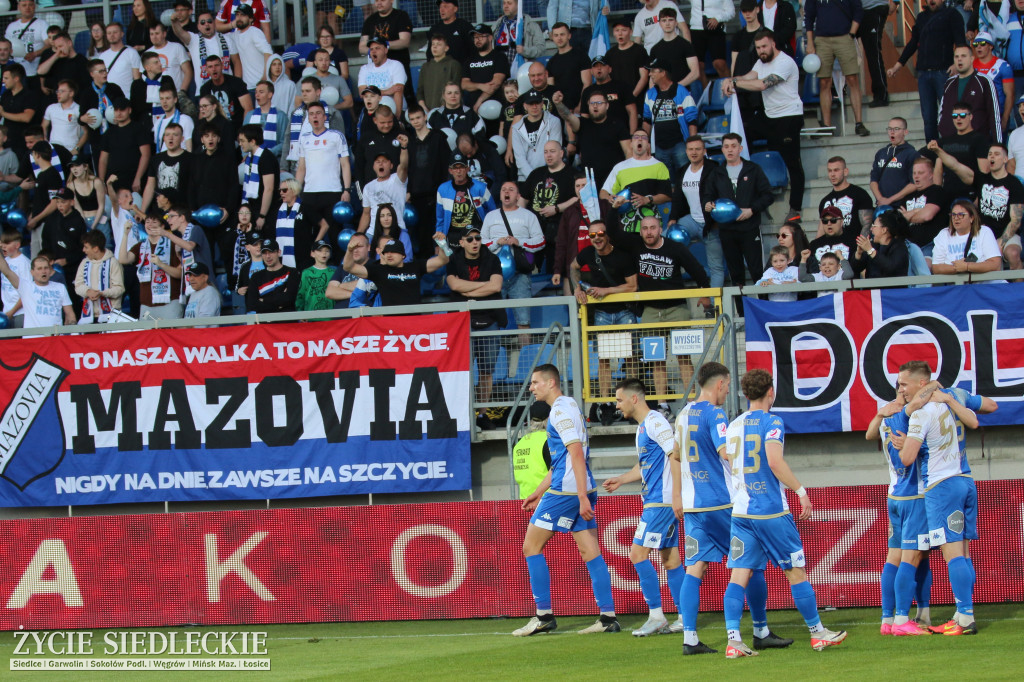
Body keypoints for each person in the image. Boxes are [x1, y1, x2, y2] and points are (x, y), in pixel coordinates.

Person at [722, 369, 848, 657]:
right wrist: (801, 492)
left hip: (741, 512)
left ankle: (733, 641)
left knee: (738, 575)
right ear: (771, 392)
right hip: (769, 510)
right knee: (795, 571)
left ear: (745, 394)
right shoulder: (772, 421)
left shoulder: (734, 425)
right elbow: (775, 462)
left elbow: (729, 459)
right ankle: (817, 634)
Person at [672, 362, 792, 653]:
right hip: (722, 501)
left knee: (694, 568)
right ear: (720, 384)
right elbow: (727, 453)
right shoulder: (716, 414)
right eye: (726, 386)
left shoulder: (683, 414)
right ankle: (760, 630)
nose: (727, 391)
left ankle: (690, 639)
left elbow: (675, 455)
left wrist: (677, 495)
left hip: (692, 506)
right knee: (750, 563)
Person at [513, 363, 620, 636]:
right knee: (590, 551)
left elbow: (574, 453)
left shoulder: (558, 412)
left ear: (551, 383)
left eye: (535, 382)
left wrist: (581, 497)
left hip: (568, 491)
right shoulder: (570, 405)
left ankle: (543, 616)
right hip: (581, 486)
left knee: (530, 547)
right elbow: (564, 458)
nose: (531, 388)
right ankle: (608, 618)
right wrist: (538, 491)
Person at [897, 361, 988, 636]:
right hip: (964, 479)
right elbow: (976, 419)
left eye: (904, 384)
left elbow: (907, 458)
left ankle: (965, 618)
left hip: (941, 487)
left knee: (952, 555)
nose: (901, 390)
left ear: (921, 384)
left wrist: (903, 446)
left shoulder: (921, 414)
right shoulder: (953, 399)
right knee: (964, 553)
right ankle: (962, 612)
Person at [601, 378, 682, 636]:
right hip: (660, 500)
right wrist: (622, 479)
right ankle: (684, 616)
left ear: (634, 398)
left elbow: (675, 454)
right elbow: (646, 465)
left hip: (661, 501)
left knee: (637, 554)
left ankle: (656, 616)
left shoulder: (656, 421)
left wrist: (677, 494)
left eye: (619, 399)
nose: (617, 406)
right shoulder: (642, 429)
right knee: (670, 559)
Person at [723, 28, 805, 223]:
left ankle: (795, 208)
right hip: (769, 116)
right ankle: (743, 187)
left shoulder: (785, 62)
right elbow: (751, 76)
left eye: (764, 46)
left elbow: (762, 85)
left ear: (773, 44)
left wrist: (735, 84)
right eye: (758, 47)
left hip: (789, 117)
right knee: (742, 135)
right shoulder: (761, 61)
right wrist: (731, 79)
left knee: (793, 162)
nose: (761, 51)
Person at [634, 213, 710, 414]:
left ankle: (691, 402)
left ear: (660, 230)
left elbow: (698, 271)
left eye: (652, 228)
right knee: (656, 359)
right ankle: (662, 405)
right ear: (640, 232)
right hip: (651, 311)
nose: (649, 232)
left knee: (683, 358)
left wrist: (705, 294)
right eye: (645, 229)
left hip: (677, 310)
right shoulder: (636, 248)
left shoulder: (675, 248)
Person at [569, 219, 637, 423]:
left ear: (607, 235)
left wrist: (606, 291)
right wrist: (577, 287)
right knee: (604, 360)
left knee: (631, 358)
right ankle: (607, 402)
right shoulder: (587, 254)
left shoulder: (622, 256)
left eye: (600, 233)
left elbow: (632, 286)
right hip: (602, 313)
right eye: (592, 235)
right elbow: (573, 267)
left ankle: (632, 402)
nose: (596, 238)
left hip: (624, 312)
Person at [928, 139, 1024, 270]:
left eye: (996, 154)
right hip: (981, 234)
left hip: (1006, 234)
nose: (992, 156)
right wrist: (938, 151)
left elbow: (1015, 221)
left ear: (1005, 159)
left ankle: (1017, 290)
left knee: (1012, 254)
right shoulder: (981, 179)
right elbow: (955, 166)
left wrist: (1001, 242)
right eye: (990, 154)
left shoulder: (1014, 184)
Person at [446, 225, 506, 414]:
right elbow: (454, 285)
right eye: (470, 239)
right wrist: (483, 286)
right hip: (461, 322)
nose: (474, 242)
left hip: (489, 320)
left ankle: (482, 413)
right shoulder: (454, 260)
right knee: (463, 371)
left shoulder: (492, 259)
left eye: (478, 238)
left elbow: (496, 287)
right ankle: (464, 414)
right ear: (462, 242)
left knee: (486, 371)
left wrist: (468, 292)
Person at [887, 0, 965, 142]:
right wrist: (897, 66)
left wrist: (956, 63)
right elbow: (912, 43)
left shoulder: (952, 14)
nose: (931, 1)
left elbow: (960, 42)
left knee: (948, 114)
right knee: (928, 118)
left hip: (943, 72)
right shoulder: (922, 17)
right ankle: (932, 151)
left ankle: (952, 148)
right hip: (923, 74)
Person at [703, 133, 774, 285]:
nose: (730, 150)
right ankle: (742, 309)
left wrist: (752, 210)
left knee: (757, 272)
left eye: (734, 146)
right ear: (722, 149)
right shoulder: (716, 173)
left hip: (750, 228)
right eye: (726, 146)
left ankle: (761, 307)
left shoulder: (753, 169)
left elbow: (768, 195)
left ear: (740, 148)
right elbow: (707, 195)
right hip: (727, 230)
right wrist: (708, 204)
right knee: (736, 275)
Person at [482, 181, 545, 335]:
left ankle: (526, 356)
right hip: (495, 275)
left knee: (524, 321)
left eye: (511, 189)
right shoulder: (491, 216)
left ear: (518, 196)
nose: (506, 192)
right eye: (503, 189)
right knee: (492, 321)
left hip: (520, 274)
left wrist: (520, 242)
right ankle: (494, 358)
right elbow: (481, 242)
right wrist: (497, 242)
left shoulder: (528, 215)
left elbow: (541, 241)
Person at [804, 0, 870, 137]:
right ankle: (826, 126)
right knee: (824, 82)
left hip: (844, 37)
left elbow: (858, 10)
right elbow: (809, 15)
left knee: (852, 79)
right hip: (822, 39)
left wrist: (851, 33)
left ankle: (859, 123)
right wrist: (810, 42)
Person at [667, 136, 724, 288]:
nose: (694, 152)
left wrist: (717, 219)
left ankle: (714, 306)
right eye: (691, 149)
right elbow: (677, 197)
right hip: (692, 220)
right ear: (686, 151)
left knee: (716, 267)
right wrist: (673, 218)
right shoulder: (683, 171)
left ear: (704, 151)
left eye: (698, 149)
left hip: (711, 223)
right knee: (666, 240)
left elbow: (722, 193)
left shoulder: (714, 168)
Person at [294, 102, 351, 247]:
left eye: (318, 113)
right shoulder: (304, 138)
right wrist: (295, 191)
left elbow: (345, 164)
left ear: (324, 116)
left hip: (332, 192)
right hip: (309, 193)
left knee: (334, 233)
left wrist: (346, 189)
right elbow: (301, 167)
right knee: (308, 233)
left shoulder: (336, 136)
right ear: (308, 118)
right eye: (311, 114)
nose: (315, 116)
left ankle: (339, 267)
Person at [342, 230, 449, 306]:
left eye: (393, 252)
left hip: (414, 324)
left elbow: (442, 260)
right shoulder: (378, 270)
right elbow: (348, 267)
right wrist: (349, 251)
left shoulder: (415, 266)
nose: (389, 255)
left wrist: (442, 244)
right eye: (386, 252)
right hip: (390, 326)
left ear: (403, 255)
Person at [599, 129, 671, 234]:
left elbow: (667, 195)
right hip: (628, 223)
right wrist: (609, 198)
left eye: (644, 137)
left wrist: (647, 199)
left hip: (652, 224)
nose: (640, 139)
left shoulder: (659, 166)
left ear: (648, 145)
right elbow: (603, 193)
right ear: (631, 144)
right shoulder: (619, 167)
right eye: (636, 137)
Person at [555, 89, 630, 190]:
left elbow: (628, 152)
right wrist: (558, 104)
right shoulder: (582, 124)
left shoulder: (617, 124)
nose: (595, 106)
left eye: (599, 103)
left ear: (607, 105)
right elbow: (567, 116)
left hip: (613, 179)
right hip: (589, 181)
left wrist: (627, 178)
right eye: (592, 103)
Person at [521, 140, 576, 272]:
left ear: (561, 153)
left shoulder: (571, 174)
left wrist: (557, 208)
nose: (548, 155)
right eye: (545, 152)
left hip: (559, 227)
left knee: (557, 268)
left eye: (552, 151)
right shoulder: (536, 173)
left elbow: (579, 197)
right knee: (532, 268)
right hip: (535, 228)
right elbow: (523, 199)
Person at [119, 210, 183, 319]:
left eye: (154, 222)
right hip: (146, 304)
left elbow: (180, 273)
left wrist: (161, 264)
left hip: (170, 302)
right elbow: (122, 259)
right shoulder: (140, 246)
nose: (149, 225)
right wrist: (125, 234)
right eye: (147, 222)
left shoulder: (173, 244)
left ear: (162, 226)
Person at [642, 58, 698, 179]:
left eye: (653, 71)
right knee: (665, 182)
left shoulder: (682, 91)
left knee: (685, 178)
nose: (650, 74)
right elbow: (646, 121)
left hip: (680, 145)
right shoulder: (650, 94)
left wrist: (693, 144)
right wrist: (645, 143)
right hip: (659, 147)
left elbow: (692, 120)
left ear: (663, 72)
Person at [938, 45, 1002, 142]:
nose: (959, 59)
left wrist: (998, 144)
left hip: (976, 142)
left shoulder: (984, 81)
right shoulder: (949, 83)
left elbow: (994, 115)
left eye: (963, 56)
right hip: (950, 142)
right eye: (956, 57)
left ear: (972, 59)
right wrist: (944, 131)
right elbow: (942, 112)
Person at [436, 151, 496, 250]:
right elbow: (440, 219)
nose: (458, 171)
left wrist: (491, 236)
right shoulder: (442, 189)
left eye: (461, 167)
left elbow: (493, 212)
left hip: (475, 236)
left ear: (467, 169)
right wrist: (439, 243)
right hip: (453, 237)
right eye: (455, 168)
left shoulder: (480, 187)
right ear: (450, 170)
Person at [172, 9, 240, 91]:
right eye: (203, 22)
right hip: (204, 90)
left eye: (209, 21)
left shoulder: (227, 39)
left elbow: (236, 62)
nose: (206, 24)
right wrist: (174, 22)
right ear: (198, 26)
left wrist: (237, 84)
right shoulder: (194, 39)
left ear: (214, 23)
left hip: (227, 88)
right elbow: (180, 33)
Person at [0, 253, 75, 328]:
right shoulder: (25, 286)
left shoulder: (60, 287)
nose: (43, 271)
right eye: (39, 268)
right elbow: (7, 272)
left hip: (55, 337)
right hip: (33, 338)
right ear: (32, 272)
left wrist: (72, 332)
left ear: (50, 270)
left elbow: (70, 314)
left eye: (46, 268)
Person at [360, 0, 413, 104]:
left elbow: (405, 41)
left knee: (404, 99)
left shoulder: (401, 16)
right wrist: (377, 50)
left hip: (398, 67)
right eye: (376, 0)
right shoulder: (370, 20)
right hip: (376, 71)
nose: (379, 3)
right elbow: (361, 47)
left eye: (382, 0)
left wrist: (384, 46)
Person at [930, 199, 1004, 274]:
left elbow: (995, 264)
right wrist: (958, 268)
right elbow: (936, 268)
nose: (956, 218)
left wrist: (967, 266)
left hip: (984, 283)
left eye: (961, 215)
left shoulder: (984, 232)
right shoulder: (944, 234)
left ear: (972, 218)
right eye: (953, 215)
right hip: (957, 284)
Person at [818, 156, 875, 252]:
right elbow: (821, 229)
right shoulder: (825, 201)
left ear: (845, 171)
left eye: (836, 170)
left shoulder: (859, 194)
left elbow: (867, 225)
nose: (832, 174)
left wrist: (859, 250)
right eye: (830, 171)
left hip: (853, 249)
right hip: (831, 251)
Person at [898, 156, 948, 258]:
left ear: (931, 175)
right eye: (914, 173)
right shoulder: (908, 197)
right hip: (907, 246)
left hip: (930, 246)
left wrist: (907, 216)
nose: (916, 176)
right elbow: (898, 221)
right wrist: (916, 211)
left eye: (921, 173)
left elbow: (927, 216)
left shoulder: (937, 191)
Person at [359, 136, 409, 238]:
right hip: (373, 232)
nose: (381, 163)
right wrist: (358, 234)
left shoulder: (397, 179)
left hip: (396, 230)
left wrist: (404, 147)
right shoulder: (368, 187)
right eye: (378, 162)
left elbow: (403, 165)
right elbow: (366, 214)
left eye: (385, 161)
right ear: (373, 167)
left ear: (391, 165)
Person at [511, 90, 562, 181]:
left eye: (537, 103)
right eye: (531, 104)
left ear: (542, 103)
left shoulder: (554, 121)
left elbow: (555, 151)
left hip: (550, 176)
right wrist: (534, 178)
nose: (534, 106)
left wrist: (544, 177)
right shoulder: (516, 128)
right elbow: (520, 158)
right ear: (525, 106)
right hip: (525, 178)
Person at [239, 124, 280, 233]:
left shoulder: (266, 158)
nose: (240, 144)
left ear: (252, 141)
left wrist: (262, 216)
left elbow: (269, 189)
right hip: (253, 209)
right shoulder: (250, 157)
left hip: (266, 213)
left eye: (242, 141)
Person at [581, 55, 638, 133]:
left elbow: (632, 112)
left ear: (610, 69)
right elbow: (584, 118)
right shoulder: (587, 91)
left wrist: (632, 135)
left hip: (620, 136)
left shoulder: (622, 87)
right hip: (597, 136)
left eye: (602, 65)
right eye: (595, 66)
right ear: (591, 71)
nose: (599, 68)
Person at [142, 121, 191, 211]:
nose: (170, 138)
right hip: (159, 212)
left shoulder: (191, 159)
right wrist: (143, 210)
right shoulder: (156, 159)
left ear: (182, 138)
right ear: (164, 138)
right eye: (167, 135)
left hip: (181, 211)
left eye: (175, 135)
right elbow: (150, 186)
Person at [972, 31, 1015, 133]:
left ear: (991, 46)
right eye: (975, 44)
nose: (978, 47)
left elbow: (1010, 94)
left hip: (997, 115)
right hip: (976, 116)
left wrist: (1005, 119)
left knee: (998, 148)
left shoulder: (1003, 66)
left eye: (982, 44)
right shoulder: (970, 65)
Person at [870, 119, 918, 208]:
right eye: (890, 129)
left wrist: (890, 200)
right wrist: (880, 199)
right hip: (882, 205)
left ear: (905, 132)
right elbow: (873, 180)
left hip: (902, 206)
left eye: (896, 129)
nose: (892, 132)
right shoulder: (881, 153)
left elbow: (914, 183)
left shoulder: (911, 153)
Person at [462, 24, 509, 113]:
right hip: (475, 110)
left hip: (496, 108)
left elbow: (496, 83)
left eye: (481, 36)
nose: (477, 40)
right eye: (475, 37)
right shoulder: (469, 60)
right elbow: (464, 84)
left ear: (490, 37)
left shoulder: (499, 57)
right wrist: (481, 86)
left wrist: (480, 101)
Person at [200, 53, 252, 132]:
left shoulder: (236, 83)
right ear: (206, 70)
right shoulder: (205, 88)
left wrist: (243, 132)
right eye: (210, 67)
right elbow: (203, 113)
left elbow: (248, 108)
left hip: (236, 128)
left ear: (222, 66)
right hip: (215, 131)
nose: (214, 69)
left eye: (216, 65)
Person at [851, 208, 910, 278]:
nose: (871, 229)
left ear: (884, 230)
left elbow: (890, 267)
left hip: (892, 288)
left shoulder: (900, 247)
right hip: (872, 288)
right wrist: (858, 254)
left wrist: (871, 251)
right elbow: (855, 269)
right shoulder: (873, 245)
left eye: (874, 226)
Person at [545, 23, 591, 113]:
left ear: (569, 36)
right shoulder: (551, 62)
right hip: (561, 111)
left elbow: (587, 84)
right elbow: (551, 90)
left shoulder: (581, 56)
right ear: (552, 38)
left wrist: (580, 106)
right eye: (556, 35)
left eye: (562, 34)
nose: (559, 38)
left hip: (580, 110)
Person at [649, 8, 700, 89]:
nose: (667, 23)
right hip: (662, 96)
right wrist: (652, 94)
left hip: (681, 93)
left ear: (676, 22)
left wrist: (676, 87)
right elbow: (652, 77)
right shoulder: (655, 49)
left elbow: (695, 72)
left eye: (670, 20)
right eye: (664, 20)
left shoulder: (686, 45)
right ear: (660, 23)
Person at [0, 63, 42, 159]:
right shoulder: (6, 95)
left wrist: (3, 113)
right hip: (7, 142)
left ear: (16, 78)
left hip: (23, 144)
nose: (3, 81)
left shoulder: (29, 95)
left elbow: (27, 117)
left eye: (6, 78)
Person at [511, 401, 551, 499]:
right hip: (546, 501)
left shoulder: (520, 443)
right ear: (549, 418)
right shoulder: (549, 440)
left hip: (525, 501)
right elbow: (557, 473)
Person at [247, 238, 300, 313]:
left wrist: (264, 300)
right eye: (264, 253)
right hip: (265, 323)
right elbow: (252, 304)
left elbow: (290, 298)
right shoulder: (256, 277)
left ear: (279, 252)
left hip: (287, 322)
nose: (268, 256)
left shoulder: (292, 272)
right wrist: (279, 304)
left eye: (271, 252)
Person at [358, 36, 406, 118]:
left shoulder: (396, 65)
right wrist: (387, 91)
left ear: (386, 50)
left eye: (377, 48)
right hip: (373, 113)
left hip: (393, 110)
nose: (373, 51)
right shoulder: (364, 69)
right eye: (371, 49)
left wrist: (397, 118)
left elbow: (398, 91)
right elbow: (362, 93)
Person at [859, 0, 894, 108]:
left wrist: (896, 2)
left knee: (873, 52)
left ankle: (881, 95)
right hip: (858, 10)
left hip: (876, 8)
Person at [36, 31, 91, 99]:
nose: (59, 50)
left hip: (75, 101)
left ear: (69, 43)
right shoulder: (57, 60)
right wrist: (56, 56)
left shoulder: (82, 61)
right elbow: (40, 71)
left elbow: (86, 86)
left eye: (61, 46)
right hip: (58, 102)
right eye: (56, 48)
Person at [687, 0, 733, 80]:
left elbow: (731, 12)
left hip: (716, 29)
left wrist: (718, 18)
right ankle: (706, 91)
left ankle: (729, 88)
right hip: (696, 28)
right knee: (697, 66)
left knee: (720, 64)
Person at [492, 0, 544, 69]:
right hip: (499, 71)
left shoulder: (530, 25)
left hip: (522, 70)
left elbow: (541, 48)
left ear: (518, 5)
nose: (506, 6)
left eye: (509, 3)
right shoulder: (497, 25)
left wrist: (525, 51)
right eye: (504, 3)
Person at [4, 0, 48, 79]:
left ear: (34, 7)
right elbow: (5, 46)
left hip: (37, 71)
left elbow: (49, 44)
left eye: (30, 5)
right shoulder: (11, 26)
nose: (27, 7)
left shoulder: (42, 24)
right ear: (19, 7)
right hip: (17, 73)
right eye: (24, 5)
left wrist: (35, 54)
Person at [417, 35, 462, 112]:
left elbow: (457, 88)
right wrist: (423, 108)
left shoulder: (453, 64)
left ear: (446, 48)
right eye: (433, 44)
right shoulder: (425, 66)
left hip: (448, 110)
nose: (435, 47)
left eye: (439, 44)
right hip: (428, 111)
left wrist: (442, 108)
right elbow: (420, 91)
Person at [42, 80, 86, 156]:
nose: (58, 94)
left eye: (62, 91)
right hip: (53, 150)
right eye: (57, 91)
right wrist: (45, 141)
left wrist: (76, 149)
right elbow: (44, 126)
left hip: (70, 150)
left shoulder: (78, 109)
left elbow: (86, 132)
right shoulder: (51, 108)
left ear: (71, 93)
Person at [244, 79, 286, 156]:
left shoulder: (281, 116)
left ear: (270, 95)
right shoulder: (249, 115)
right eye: (256, 92)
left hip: (273, 159)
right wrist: (245, 154)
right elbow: (243, 138)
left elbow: (284, 142)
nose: (257, 95)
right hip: (251, 158)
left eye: (261, 92)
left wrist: (268, 154)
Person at [805, 206, 852, 272]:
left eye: (833, 220)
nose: (829, 224)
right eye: (825, 221)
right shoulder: (814, 244)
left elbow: (857, 268)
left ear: (841, 222)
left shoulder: (852, 241)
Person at [101, 23, 143, 96]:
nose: (112, 35)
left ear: (122, 34)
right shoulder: (102, 56)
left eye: (115, 32)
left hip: (126, 97)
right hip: (108, 98)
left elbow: (137, 79)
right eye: (109, 33)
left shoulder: (131, 52)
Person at [0, 229, 31, 328]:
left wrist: (11, 312)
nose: (2, 246)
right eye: (2, 243)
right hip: (7, 312)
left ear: (17, 245)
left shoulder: (24, 263)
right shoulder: (6, 261)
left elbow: (27, 292)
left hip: (20, 313)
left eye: (7, 243)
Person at [430, 0, 475, 66]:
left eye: (445, 6)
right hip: (440, 71)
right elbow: (429, 54)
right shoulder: (434, 29)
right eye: (440, 7)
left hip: (462, 71)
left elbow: (473, 50)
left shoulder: (464, 26)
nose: (442, 10)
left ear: (455, 9)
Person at [148, 22, 191, 92]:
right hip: (155, 98)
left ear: (164, 34)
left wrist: (182, 92)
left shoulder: (177, 47)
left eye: (157, 33)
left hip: (176, 95)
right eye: (151, 34)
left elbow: (188, 71)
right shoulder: (146, 54)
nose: (154, 37)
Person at [295, 239, 335, 312]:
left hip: (330, 317)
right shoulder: (306, 273)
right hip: (310, 316)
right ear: (312, 253)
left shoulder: (334, 272)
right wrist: (300, 312)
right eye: (320, 250)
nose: (324, 253)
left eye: (327, 251)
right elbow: (301, 294)